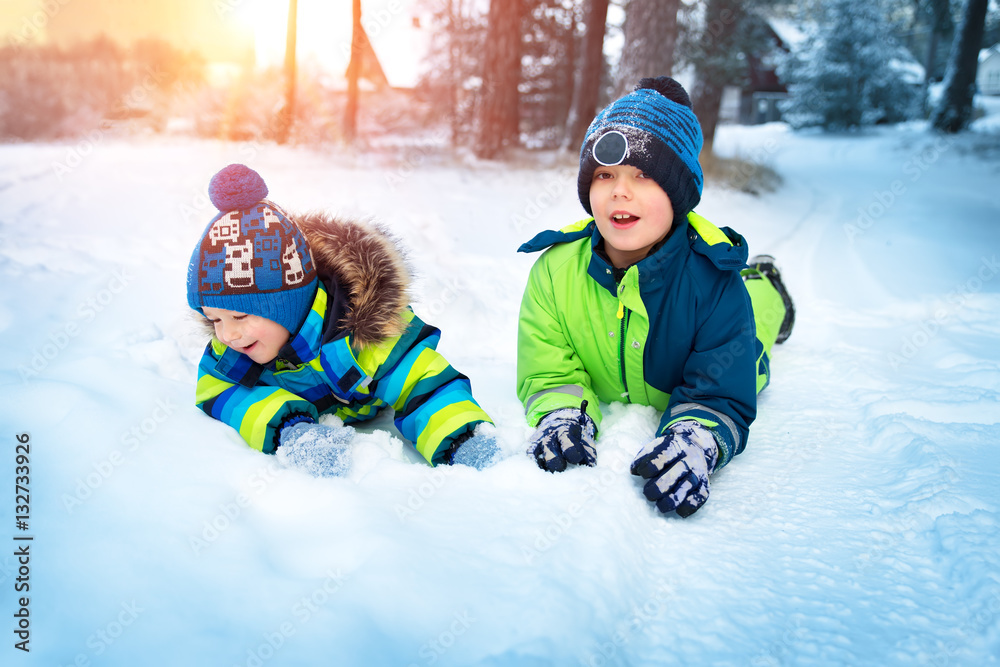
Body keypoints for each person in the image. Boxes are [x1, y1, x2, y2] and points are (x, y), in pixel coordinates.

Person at [516, 77, 795, 516]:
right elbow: (548, 366)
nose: (619, 190)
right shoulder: (554, 272)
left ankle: (765, 282)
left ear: (679, 194)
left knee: (755, 329)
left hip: (729, 324)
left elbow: (719, 391)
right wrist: (562, 412)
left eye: (643, 175)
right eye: (604, 174)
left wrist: (697, 436)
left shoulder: (714, 280)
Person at [187, 164, 500, 476]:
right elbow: (219, 389)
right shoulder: (237, 350)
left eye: (240, 315)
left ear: (285, 304)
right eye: (214, 319)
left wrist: (463, 438)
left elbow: (426, 383)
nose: (227, 334)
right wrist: (290, 427)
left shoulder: (365, 334)